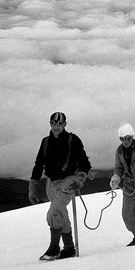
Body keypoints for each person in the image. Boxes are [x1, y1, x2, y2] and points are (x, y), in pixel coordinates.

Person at [29, 111, 91, 260]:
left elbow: (84, 163)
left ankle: (54, 248)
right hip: (51, 183)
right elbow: (38, 165)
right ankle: (69, 248)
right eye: (53, 123)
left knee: (53, 213)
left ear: (64, 124)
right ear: (50, 123)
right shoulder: (45, 142)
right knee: (61, 213)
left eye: (59, 123)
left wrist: (80, 178)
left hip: (69, 182)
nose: (56, 126)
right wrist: (33, 188)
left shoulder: (72, 140)